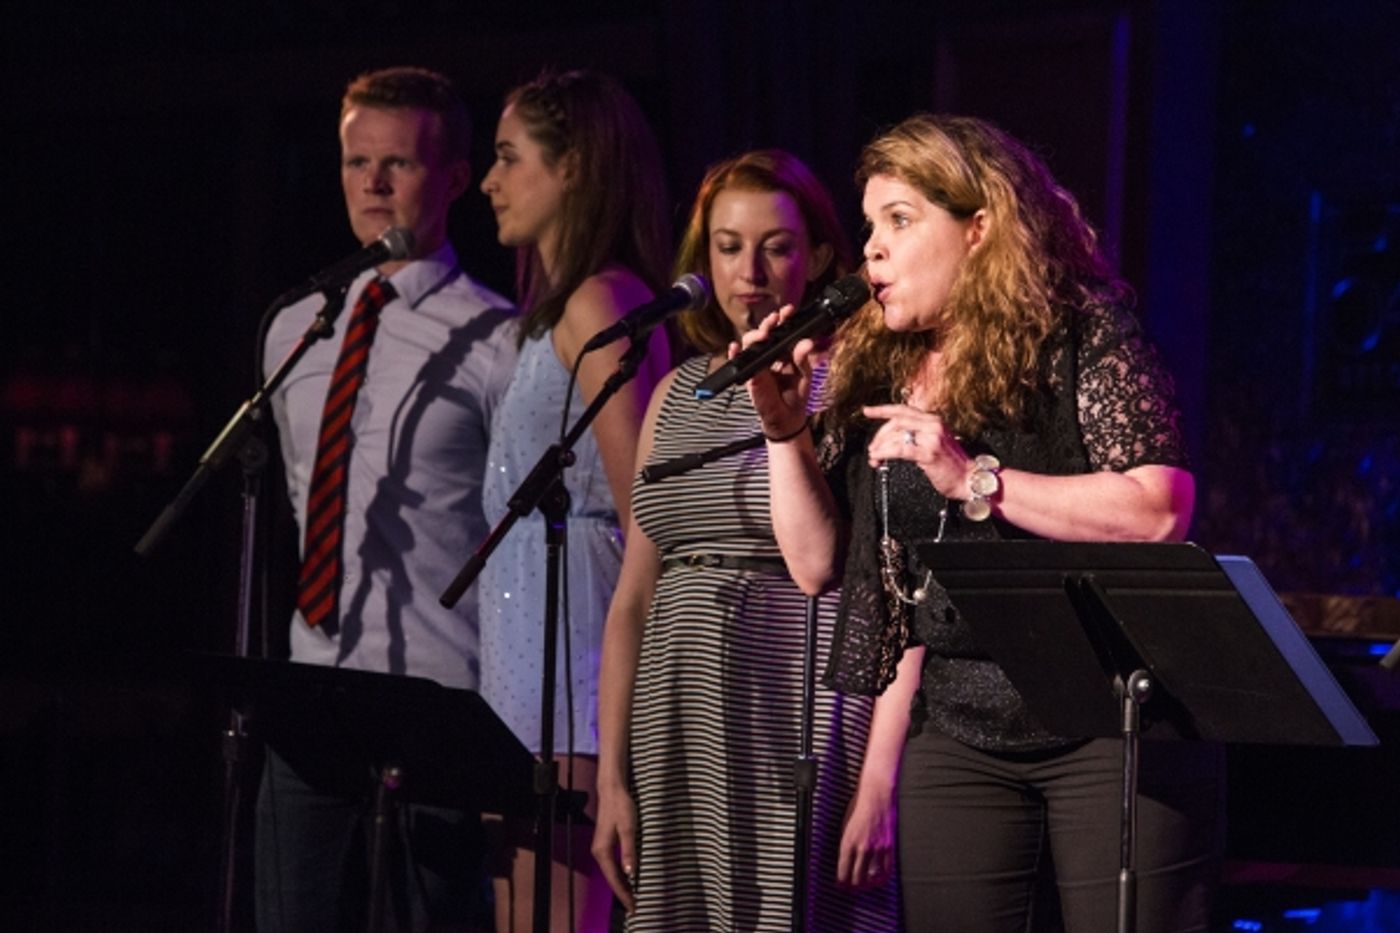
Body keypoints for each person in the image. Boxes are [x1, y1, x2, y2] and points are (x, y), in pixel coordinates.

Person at [747, 114, 1224, 932]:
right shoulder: (879, 364)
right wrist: (783, 430)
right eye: (869, 226)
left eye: (900, 220)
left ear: (980, 229)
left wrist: (975, 479)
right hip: (961, 722)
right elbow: (816, 564)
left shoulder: (1083, 333)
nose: (872, 249)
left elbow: (1158, 507)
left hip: (1114, 718)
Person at [590, 149, 901, 931]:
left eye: (777, 246)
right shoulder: (673, 391)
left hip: (799, 702)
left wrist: (877, 782)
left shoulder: (855, 383)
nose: (749, 270)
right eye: (728, 246)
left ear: (823, 256)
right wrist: (611, 772)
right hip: (677, 706)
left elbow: (887, 588)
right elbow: (633, 597)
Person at [256, 66, 517, 932]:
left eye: (397, 163)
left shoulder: (495, 338)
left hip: (434, 703)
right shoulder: (292, 328)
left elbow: (513, 537)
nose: (372, 183)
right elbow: (301, 498)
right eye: (355, 162)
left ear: (451, 177)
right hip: (313, 692)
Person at [475, 69, 673, 931]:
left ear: (575, 168)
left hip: (574, 669)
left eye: (508, 158)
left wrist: (617, 723)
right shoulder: (559, 308)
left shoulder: (603, 300)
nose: (489, 182)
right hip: (521, 670)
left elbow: (650, 516)